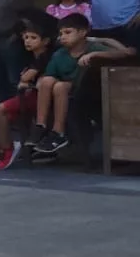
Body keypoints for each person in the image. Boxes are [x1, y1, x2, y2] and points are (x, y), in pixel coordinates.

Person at [33, 11, 138, 158]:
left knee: (60, 87)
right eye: (61, 33)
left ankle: (58, 132)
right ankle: (40, 126)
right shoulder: (59, 54)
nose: (63, 37)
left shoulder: (93, 48)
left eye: (68, 32)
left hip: (85, 92)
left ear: (83, 33)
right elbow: (49, 75)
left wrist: (96, 53)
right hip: (61, 91)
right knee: (47, 82)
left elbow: (124, 53)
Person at [0, 16, 56, 170]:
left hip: (39, 98)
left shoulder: (45, 57)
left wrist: (26, 79)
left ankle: (8, 149)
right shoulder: (30, 56)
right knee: (3, 118)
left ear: (45, 41)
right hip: (28, 95)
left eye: (33, 38)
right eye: (26, 37)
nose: (28, 41)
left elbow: (26, 77)